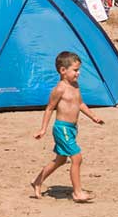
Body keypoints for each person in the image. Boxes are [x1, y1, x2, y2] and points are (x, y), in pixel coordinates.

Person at [31, 51, 102, 202]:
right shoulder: (60, 89)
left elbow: (80, 103)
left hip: (71, 129)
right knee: (77, 157)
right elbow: (50, 108)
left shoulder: (75, 85)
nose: (78, 73)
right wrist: (43, 129)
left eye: (79, 70)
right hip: (62, 128)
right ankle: (77, 193)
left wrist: (93, 116)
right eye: (75, 70)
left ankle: (37, 182)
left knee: (61, 160)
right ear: (63, 71)